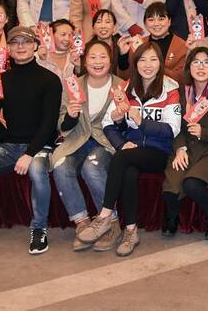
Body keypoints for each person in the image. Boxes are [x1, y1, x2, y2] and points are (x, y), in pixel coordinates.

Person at [0, 26, 62, 254]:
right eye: (15, 42)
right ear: (9, 49)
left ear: (35, 46)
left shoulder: (50, 79)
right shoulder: (1, 79)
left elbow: (49, 123)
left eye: (26, 42)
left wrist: (30, 153)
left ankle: (39, 228)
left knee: (37, 169)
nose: (20, 46)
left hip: (41, 146)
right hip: (8, 146)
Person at [75, 41, 181, 257]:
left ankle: (104, 215)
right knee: (128, 171)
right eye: (142, 60)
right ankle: (131, 231)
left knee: (122, 158)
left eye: (153, 59)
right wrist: (120, 129)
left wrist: (141, 121)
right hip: (131, 150)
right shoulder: (125, 88)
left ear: (160, 63)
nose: (148, 65)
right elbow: (107, 124)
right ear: (135, 63)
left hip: (159, 152)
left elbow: (172, 130)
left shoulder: (170, 88)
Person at [49, 39, 120, 251]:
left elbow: (127, 124)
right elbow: (61, 123)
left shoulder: (121, 85)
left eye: (103, 57)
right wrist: (70, 116)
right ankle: (82, 222)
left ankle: (111, 222)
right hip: (77, 140)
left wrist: (119, 119)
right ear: (84, 61)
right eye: (92, 57)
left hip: (105, 141)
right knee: (60, 165)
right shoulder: (73, 85)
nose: (98, 62)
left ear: (110, 60)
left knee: (92, 166)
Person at [162, 47, 208, 241]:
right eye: (196, 62)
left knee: (192, 184)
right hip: (186, 147)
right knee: (172, 183)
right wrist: (180, 148)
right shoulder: (181, 92)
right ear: (189, 66)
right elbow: (175, 126)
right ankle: (172, 217)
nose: (201, 67)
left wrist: (204, 132)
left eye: (206, 62)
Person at [91, 9, 131, 78]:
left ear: (114, 28)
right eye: (99, 22)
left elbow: (125, 75)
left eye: (107, 22)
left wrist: (123, 55)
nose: (103, 26)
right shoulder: (87, 48)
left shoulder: (122, 45)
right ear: (93, 28)